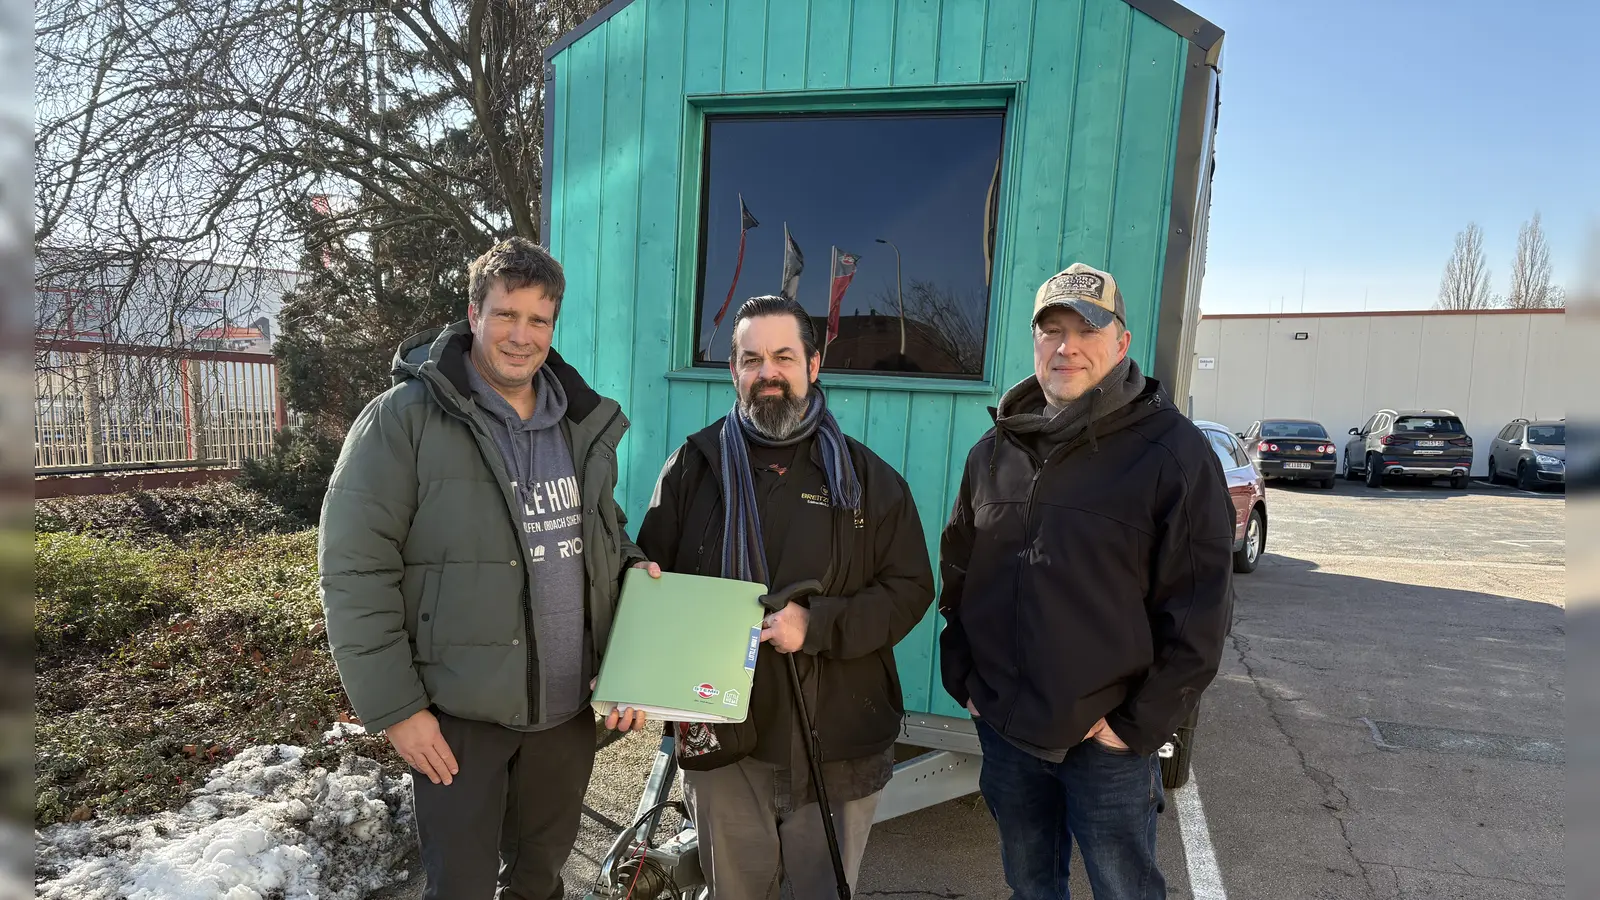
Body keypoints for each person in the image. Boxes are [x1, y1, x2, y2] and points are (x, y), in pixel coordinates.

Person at [319, 237, 656, 900]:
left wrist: (636, 614)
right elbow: (354, 571)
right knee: (462, 889)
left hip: (564, 716)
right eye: (506, 314)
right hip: (458, 719)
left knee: (540, 881)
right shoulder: (404, 421)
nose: (520, 335)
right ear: (473, 314)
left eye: (538, 320)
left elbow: (605, 538)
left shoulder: (580, 426)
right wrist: (396, 709)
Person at [938, 263, 1234, 900]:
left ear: (1121, 343)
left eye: (1086, 329)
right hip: (1008, 729)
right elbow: (960, 572)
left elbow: (1200, 613)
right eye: (1051, 330)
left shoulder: (1173, 455)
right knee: (1030, 885)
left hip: (1107, 744)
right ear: (1035, 342)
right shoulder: (993, 453)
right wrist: (963, 675)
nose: (1066, 346)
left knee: (1124, 889)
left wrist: (1137, 723)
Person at [636, 295, 935, 900]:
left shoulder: (867, 480)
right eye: (751, 359)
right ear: (734, 372)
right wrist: (636, 682)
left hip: (839, 744)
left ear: (813, 365)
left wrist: (818, 625)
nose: (766, 372)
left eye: (783, 356)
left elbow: (910, 590)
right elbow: (647, 584)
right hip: (725, 747)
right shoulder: (694, 470)